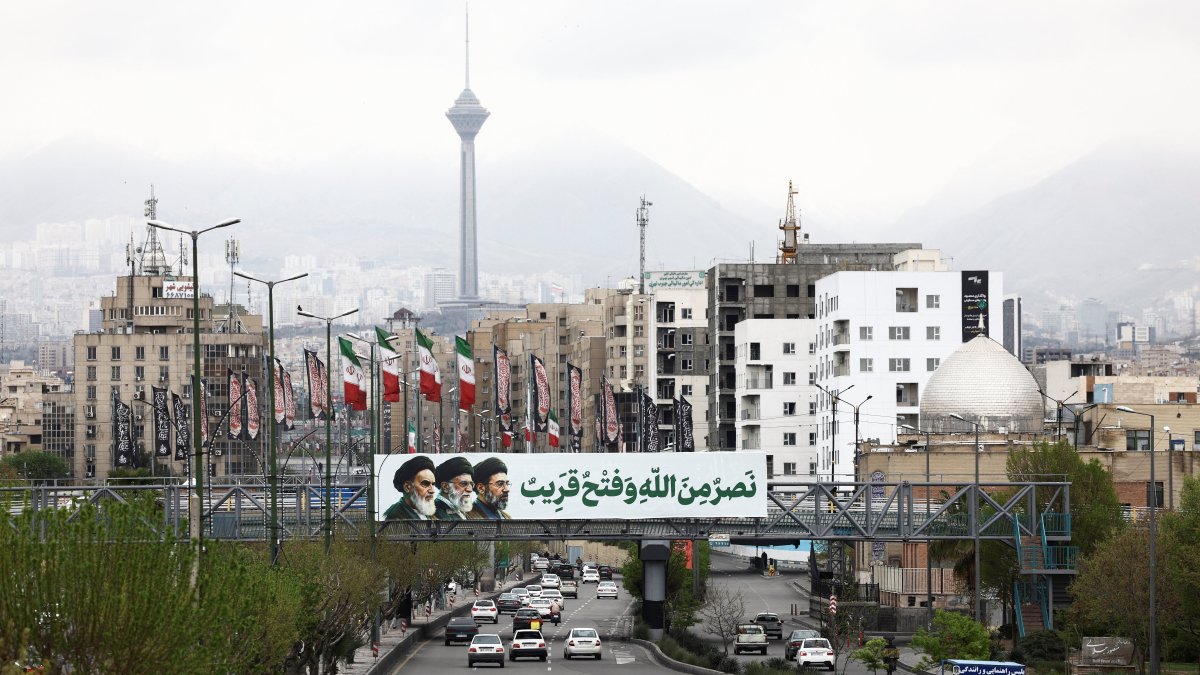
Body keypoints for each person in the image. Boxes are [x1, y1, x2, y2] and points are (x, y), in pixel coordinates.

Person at [383, 455, 436, 520]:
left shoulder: (428, 514)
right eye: (425, 483)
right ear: (407, 487)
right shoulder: (396, 517)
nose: (432, 490)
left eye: (432, 484)